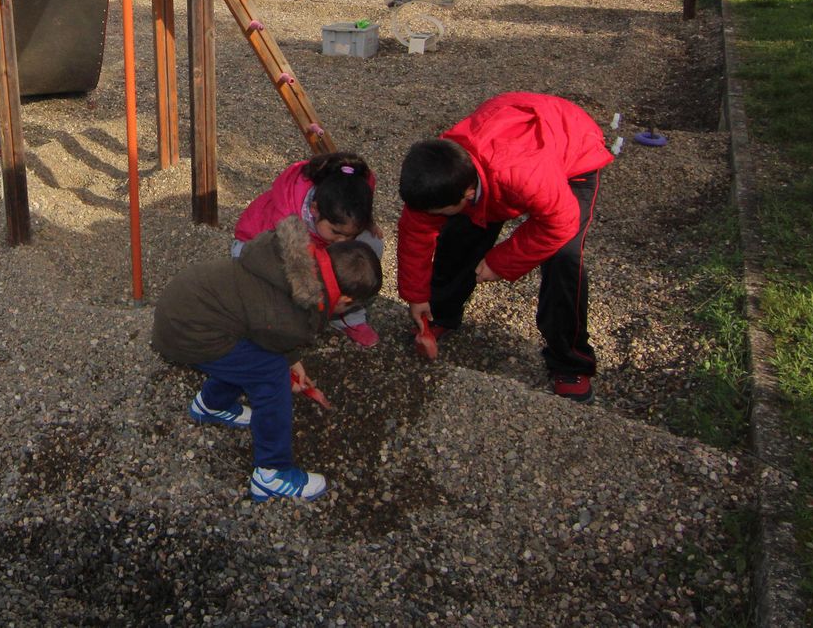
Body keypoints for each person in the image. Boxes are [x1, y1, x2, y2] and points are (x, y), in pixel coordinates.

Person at [396, 91, 613, 402]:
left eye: (438, 211)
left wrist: (502, 262)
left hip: (571, 150)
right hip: (506, 152)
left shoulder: (523, 176)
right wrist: (416, 297)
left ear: (467, 193)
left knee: (564, 258)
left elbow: (558, 222)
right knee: (458, 235)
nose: (428, 217)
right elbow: (415, 234)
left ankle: (570, 359)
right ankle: (440, 314)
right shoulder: (439, 175)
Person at [151, 216, 382, 502]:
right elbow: (275, 336)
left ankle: (212, 404)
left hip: (188, 308)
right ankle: (272, 472)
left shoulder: (288, 262)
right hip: (189, 332)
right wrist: (285, 372)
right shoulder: (292, 316)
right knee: (270, 376)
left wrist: (292, 359)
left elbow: (265, 326)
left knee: (249, 358)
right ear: (345, 300)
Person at [234, 152, 383, 348]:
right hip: (258, 247)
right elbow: (293, 269)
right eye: (337, 232)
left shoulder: (355, 186)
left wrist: (366, 224)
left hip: (312, 243)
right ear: (314, 209)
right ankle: (273, 326)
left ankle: (347, 316)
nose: (343, 241)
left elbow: (351, 220)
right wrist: (316, 306)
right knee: (283, 287)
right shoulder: (289, 220)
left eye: (350, 235)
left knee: (370, 244)